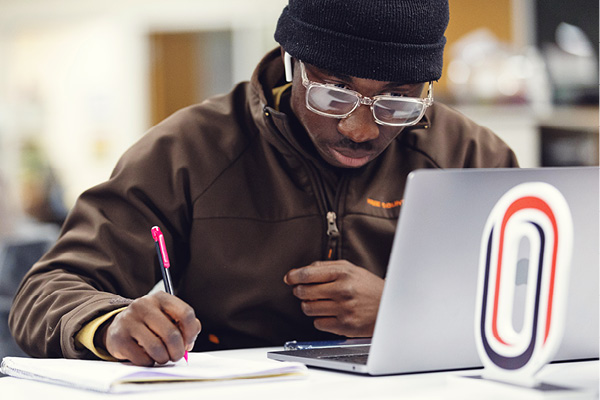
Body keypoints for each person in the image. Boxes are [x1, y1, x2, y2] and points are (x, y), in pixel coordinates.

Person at [9, 0, 518, 366]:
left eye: (397, 102)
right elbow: (44, 292)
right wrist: (109, 324)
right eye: (335, 92)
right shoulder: (186, 153)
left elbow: (545, 304)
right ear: (292, 63)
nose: (360, 130)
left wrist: (406, 310)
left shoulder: (472, 158)